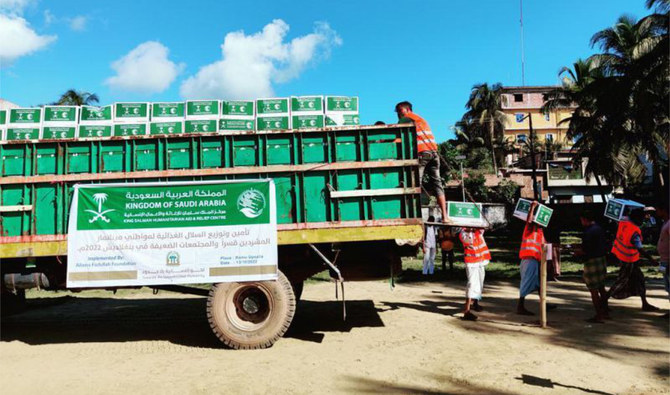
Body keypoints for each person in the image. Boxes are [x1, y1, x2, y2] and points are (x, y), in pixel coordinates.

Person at [395, 101, 447, 222]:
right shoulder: (421, 119)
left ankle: (413, 216)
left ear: (407, 110)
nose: (398, 114)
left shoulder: (406, 119)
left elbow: (398, 138)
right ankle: (445, 217)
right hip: (434, 153)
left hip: (422, 153)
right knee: (437, 184)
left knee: (414, 184)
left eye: (400, 110)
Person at [605, 209, 659, 311]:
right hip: (628, 259)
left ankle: (645, 303)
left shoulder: (624, 222)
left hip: (621, 255)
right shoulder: (634, 231)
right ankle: (603, 300)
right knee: (621, 280)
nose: (642, 221)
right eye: (641, 219)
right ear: (636, 218)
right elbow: (639, 248)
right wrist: (651, 259)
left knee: (640, 280)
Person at [577, 210, 609, 323]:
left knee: (593, 290)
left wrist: (577, 252)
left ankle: (599, 315)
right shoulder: (599, 228)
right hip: (601, 259)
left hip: (592, 260)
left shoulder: (588, 232)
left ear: (585, 219)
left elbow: (585, 249)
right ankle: (605, 311)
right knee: (601, 287)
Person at [517, 201, 546, 315]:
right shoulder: (529, 228)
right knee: (526, 283)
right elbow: (529, 220)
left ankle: (543, 303)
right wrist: (532, 207)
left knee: (539, 283)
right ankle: (520, 306)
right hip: (529, 260)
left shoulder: (539, 232)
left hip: (535, 261)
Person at [459, 227, 490, 321]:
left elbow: (483, 228)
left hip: (481, 260)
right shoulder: (463, 233)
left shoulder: (477, 231)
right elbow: (468, 241)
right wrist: (470, 230)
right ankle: (466, 311)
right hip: (471, 262)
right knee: (472, 284)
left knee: (480, 283)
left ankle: (475, 303)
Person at [655, 201, 669, 318]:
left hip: (668, 260)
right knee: (668, 286)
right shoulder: (665, 223)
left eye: (658, 210)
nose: (656, 212)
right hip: (664, 260)